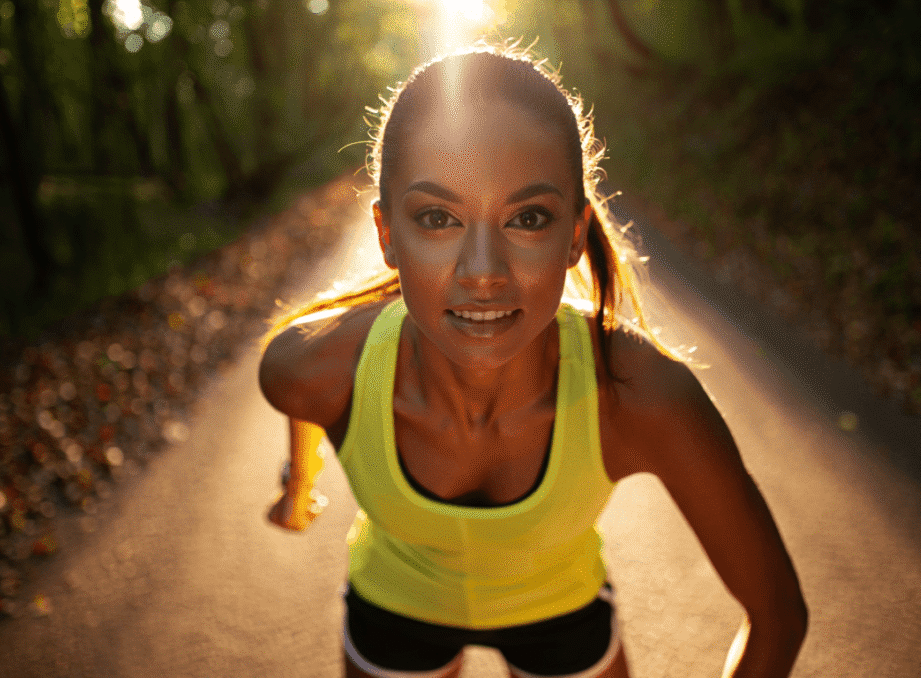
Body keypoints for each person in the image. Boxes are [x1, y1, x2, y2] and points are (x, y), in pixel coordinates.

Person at [259, 42, 807, 678]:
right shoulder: (308, 372)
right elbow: (304, 405)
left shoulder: (641, 396)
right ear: (387, 236)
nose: (483, 273)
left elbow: (778, 615)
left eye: (527, 218)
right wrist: (297, 485)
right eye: (438, 218)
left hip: (560, 613)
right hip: (396, 606)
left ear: (575, 236)